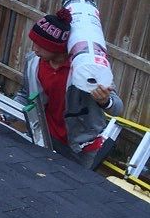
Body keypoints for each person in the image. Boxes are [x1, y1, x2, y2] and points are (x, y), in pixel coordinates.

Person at [17, 10, 122, 167]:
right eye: (33, 43)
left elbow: (117, 108)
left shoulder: (85, 70)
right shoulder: (33, 63)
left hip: (80, 148)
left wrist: (104, 101)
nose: (35, 49)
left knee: (70, 189)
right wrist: (6, 114)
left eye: (40, 45)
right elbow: (25, 94)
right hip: (44, 136)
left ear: (57, 47)